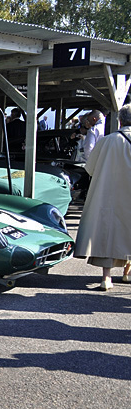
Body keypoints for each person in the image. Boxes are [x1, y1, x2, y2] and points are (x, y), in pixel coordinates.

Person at [73, 104, 131, 290]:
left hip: (110, 194)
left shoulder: (107, 140)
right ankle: (127, 273)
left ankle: (107, 278)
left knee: (109, 233)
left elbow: (90, 168)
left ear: (120, 120)